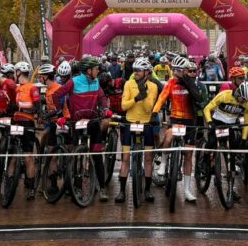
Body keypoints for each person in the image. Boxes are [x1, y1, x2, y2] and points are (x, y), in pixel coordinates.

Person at [55, 56, 111, 200]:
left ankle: (102, 188)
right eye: (96, 69)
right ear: (88, 70)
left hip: (92, 122)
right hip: (77, 123)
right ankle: (76, 187)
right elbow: (57, 95)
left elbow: (102, 97)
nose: (98, 71)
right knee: (77, 156)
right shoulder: (73, 82)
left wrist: (105, 108)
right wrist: (60, 114)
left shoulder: (96, 81)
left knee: (97, 155)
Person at [153, 56, 203, 202]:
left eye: (178, 70)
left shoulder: (192, 82)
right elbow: (162, 98)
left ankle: (187, 190)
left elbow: (198, 98)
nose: (175, 72)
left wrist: (188, 84)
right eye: (174, 69)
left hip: (190, 120)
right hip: (175, 118)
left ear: (185, 71)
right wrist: (154, 113)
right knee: (168, 137)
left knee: (188, 155)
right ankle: (163, 164)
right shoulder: (171, 82)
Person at [117, 56, 161, 203]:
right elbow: (123, 106)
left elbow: (149, 108)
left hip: (146, 123)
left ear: (147, 72)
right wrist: (136, 98)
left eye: (138, 70)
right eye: (134, 70)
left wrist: (145, 93)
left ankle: (147, 189)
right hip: (130, 123)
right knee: (126, 158)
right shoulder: (129, 84)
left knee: (148, 158)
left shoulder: (153, 86)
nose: (135, 72)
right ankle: (122, 191)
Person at [10, 61, 42, 200]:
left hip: (27, 122)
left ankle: (30, 187)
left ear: (18, 72)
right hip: (16, 121)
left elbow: (37, 108)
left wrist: (20, 109)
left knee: (28, 156)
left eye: (15, 72)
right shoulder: (17, 88)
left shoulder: (32, 88)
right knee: (12, 155)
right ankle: (9, 183)